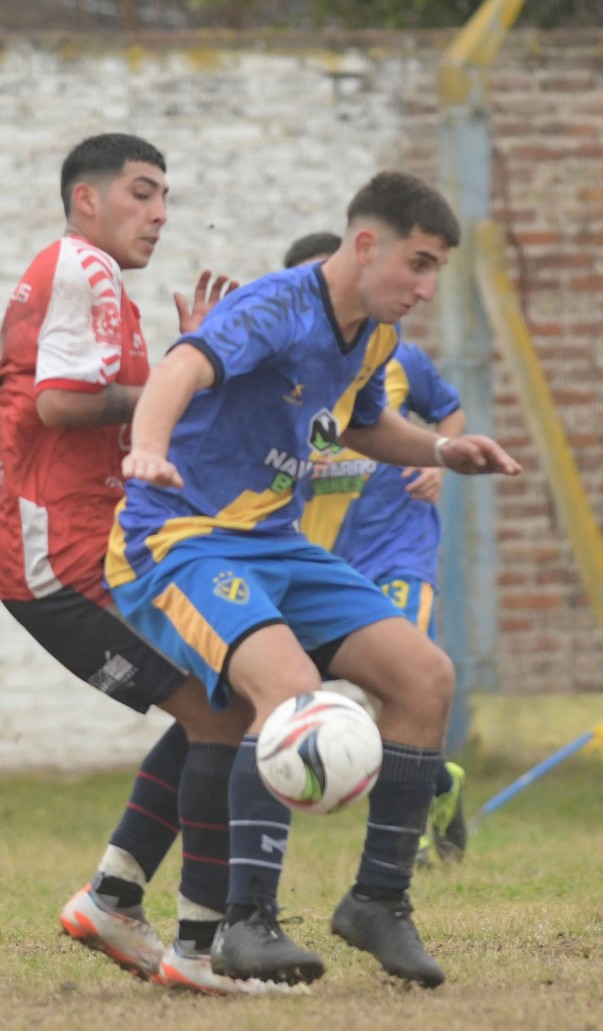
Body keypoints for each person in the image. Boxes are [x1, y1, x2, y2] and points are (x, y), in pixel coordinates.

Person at [108, 171, 522, 988]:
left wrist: (443, 450)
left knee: (424, 677)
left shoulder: (373, 335)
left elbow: (363, 426)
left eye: (436, 269)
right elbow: (180, 368)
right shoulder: (275, 306)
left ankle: (378, 901)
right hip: (182, 538)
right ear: (366, 245)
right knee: (290, 690)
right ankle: (246, 924)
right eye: (418, 263)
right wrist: (147, 450)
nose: (426, 287)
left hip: (274, 542)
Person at [0, 132, 262, 995]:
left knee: (219, 704)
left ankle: (116, 898)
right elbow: (59, 403)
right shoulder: (80, 267)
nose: (159, 213)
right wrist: (176, 380)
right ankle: (196, 948)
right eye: (141, 191)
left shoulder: (97, 284)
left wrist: (177, 372)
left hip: (83, 548)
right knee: (224, 706)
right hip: (58, 559)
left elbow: (93, 409)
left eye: (165, 196)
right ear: (86, 199)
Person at [287, 231, 469, 867]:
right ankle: (438, 780)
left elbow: (449, 412)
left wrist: (440, 462)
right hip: (320, 561)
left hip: (399, 551)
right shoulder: (282, 371)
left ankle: (407, 833)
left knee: (405, 682)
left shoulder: (398, 359)